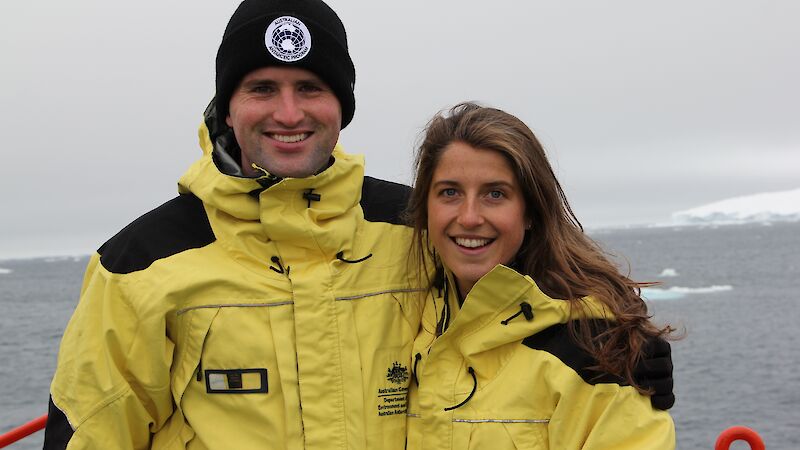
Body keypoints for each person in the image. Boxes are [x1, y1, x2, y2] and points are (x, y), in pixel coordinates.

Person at [43, 1, 674, 449]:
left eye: (311, 88)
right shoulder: (139, 264)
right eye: (262, 88)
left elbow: (518, 281)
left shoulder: (411, 225)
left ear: (340, 105)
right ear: (227, 106)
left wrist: (616, 342)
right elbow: (92, 429)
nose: (288, 112)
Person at [404, 102, 676, 449]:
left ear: (530, 211)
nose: (469, 216)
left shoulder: (593, 353)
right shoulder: (404, 319)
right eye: (450, 192)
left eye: (495, 194)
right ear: (425, 208)